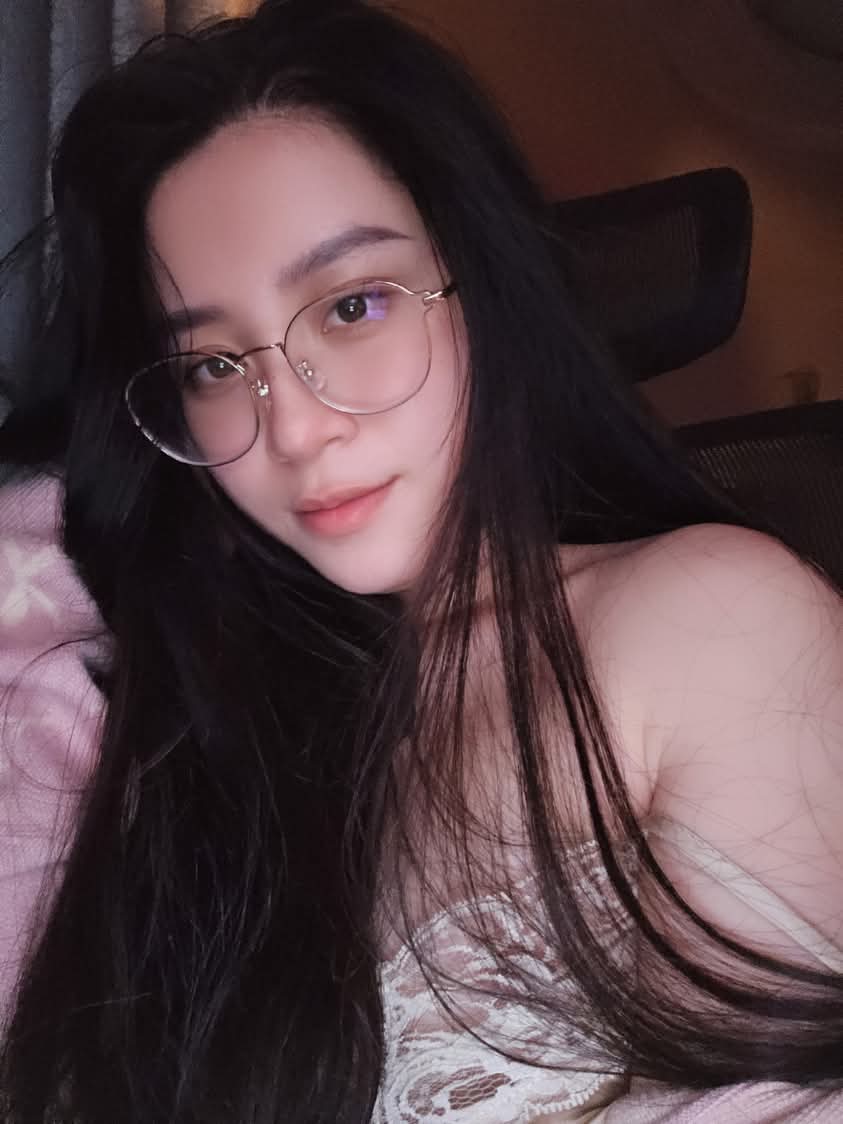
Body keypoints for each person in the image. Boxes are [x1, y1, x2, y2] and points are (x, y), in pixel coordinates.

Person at [0, 1, 841, 1120]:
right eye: (210, 366)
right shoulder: (207, 737)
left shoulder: (706, 617)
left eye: (353, 305)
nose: (295, 428)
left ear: (484, 288)